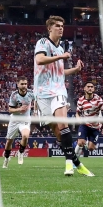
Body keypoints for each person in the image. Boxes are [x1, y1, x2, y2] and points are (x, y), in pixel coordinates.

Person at [34, 16, 92, 177]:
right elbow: (39, 60)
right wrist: (61, 57)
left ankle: (68, 165)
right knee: (58, 133)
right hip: (42, 94)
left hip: (58, 90)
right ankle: (77, 163)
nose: (61, 28)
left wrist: (74, 70)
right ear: (49, 28)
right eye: (57, 26)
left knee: (63, 124)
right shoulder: (43, 43)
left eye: (62, 26)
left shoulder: (61, 49)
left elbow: (59, 73)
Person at [4, 78, 35, 169]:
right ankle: (6, 158)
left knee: (25, 136)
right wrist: (19, 109)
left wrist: (36, 110)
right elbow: (10, 110)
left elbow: (37, 99)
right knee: (9, 141)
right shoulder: (14, 95)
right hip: (14, 120)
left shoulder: (31, 93)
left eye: (25, 83)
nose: (24, 85)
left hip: (25, 120)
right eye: (22, 84)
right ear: (18, 84)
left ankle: (20, 153)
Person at [76, 81, 103, 158]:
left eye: (92, 87)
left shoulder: (98, 100)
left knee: (91, 148)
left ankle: (87, 142)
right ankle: (74, 161)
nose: (90, 88)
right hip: (85, 124)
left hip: (95, 127)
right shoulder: (81, 100)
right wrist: (78, 119)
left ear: (94, 89)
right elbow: (77, 113)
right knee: (80, 142)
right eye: (88, 87)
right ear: (84, 89)